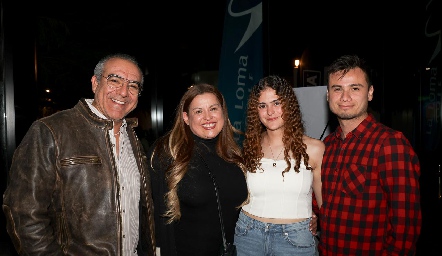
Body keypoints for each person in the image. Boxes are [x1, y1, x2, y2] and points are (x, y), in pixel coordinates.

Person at [2, 53, 156, 255]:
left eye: (133, 86)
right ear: (95, 83)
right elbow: (23, 214)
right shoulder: (51, 131)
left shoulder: (133, 139)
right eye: (115, 80)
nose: (124, 92)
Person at [319, 54, 422, 255]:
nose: (345, 97)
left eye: (355, 88)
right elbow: (321, 204)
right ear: (328, 95)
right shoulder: (327, 145)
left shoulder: (390, 144)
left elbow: (405, 227)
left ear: (370, 93)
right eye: (337, 89)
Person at [147, 83, 248, 255]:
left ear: (223, 111)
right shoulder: (167, 153)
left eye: (213, 109)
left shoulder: (235, 154)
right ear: (186, 118)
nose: (208, 117)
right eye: (198, 111)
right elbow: (157, 217)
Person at [234, 75, 324, 256]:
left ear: (289, 105)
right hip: (248, 234)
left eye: (276, 103)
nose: (270, 111)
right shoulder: (248, 148)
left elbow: (324, 206)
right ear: (255, 111)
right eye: (262, 106)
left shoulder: (314, 149)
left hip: (296, 239)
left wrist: (318, 219)